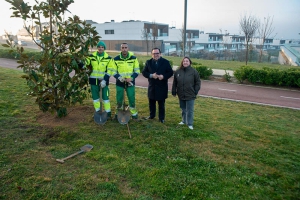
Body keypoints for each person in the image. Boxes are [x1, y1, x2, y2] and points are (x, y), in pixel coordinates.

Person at [142, 48, 173, 123]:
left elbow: (170, 72)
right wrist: (151, 75)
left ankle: (161, 118)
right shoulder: (148, 62)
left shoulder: (165, 62)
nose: (156, 55)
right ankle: (152, 115)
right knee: (151, 103)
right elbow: (144, 72)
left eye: (157, 53)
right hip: (152, 86)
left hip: (161, 86)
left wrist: (163, 76)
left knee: (161, 104)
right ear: (151, 54)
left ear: (160, 53)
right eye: (154, 53)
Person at [85, 41, 114, 118]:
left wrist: (105, 80)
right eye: (99, 47)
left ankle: (108, 113)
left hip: (104, 81)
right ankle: (98, 112)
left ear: (104, 48)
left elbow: (110, 70)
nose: (100, 48)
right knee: (95, 98)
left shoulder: (109, 58)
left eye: (102, 47)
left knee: (106, 98)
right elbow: (86, 63)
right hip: (93, 80)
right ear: (97, 47)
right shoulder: (91, 57)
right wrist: (80, 61)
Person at [171, 57, 201, 130]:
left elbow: (198, 82)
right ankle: (184, 120)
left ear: (190, 62)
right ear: (182, 62)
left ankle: (190, 123)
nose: (185, 62)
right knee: (183, 108)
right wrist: (174, 91)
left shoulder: (194, 72)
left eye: (187, 61)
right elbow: (174, 82)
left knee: (189, 110)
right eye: (184, 61)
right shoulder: (178, 72)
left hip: (190, 93)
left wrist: (196, 90)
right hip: (181, 93)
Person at [112, 43, 140, 120]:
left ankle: (134, 114)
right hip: (120, 82)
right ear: (121, 49)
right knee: (119, 99)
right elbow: (113, 71)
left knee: (131, 98)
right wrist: (119, 77)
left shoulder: (134, 58)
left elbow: (137, 71)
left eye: (126, 47)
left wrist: (131, 78)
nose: (124, 49)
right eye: (123, 48)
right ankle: (118, 114)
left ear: (128, 48)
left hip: (130, 82)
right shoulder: (116, 59)